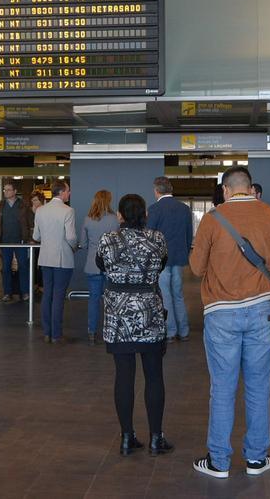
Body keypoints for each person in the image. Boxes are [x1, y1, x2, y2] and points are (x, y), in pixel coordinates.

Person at [190, 165, 270, 479]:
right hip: (262, 309)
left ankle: (219, 462)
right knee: (259, 388)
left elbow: (195, 268)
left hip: (220, 311)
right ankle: (257, 460)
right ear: (249, 188)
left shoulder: (211, 218)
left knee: (222, 388)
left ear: (226, 190)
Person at [97, 194, 174, 457]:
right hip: (149, 312)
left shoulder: (108, 240)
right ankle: (156, 437)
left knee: (124, 376)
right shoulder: (157, 239)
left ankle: (127, 437)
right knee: (154, 375)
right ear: (145, 215)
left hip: (118, 316)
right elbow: (161, 265)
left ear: (120, 215)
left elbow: (101, 265)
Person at [147, 176, 194, 342]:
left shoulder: (154, 209)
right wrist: (186, 251)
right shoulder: (184, 209)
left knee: (165, 295)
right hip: (179, 257)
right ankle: (184, 330)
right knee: (178, 294)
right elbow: (189, 235)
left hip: (162, 259)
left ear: (156, 190)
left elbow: (149, 236)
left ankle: (171, 332)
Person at [34, 180, 77, 343]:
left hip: (45, 258)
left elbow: (36, 236)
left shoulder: (40, 210)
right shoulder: (68, 211)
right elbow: (71, 237)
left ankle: (47, 332)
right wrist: (74, 247)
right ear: (61, 192)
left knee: (47, 295)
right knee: (59, 296)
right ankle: (57, 334)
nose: (69, 193)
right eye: (68, 191)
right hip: (62, 258)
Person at [79, 190, 119, 344]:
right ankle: (112, 330)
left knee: (94, 300)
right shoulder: (114, 220)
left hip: (92, 264)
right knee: (112, 300)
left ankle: (92, 332)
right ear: (108, 201)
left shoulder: (88, 220)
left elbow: (83, 243)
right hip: (110, 264)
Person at [0, 181, 31, 303]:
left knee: (23, 266)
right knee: (5, 268)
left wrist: (28, 238)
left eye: (9, 190)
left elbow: (29, 222)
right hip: (5, 241)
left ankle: (25, 292)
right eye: (5, 190)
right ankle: (7, 293)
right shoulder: (1, 205)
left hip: (20, 241)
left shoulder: (23, 205)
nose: (6, 192)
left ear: (15, 191)